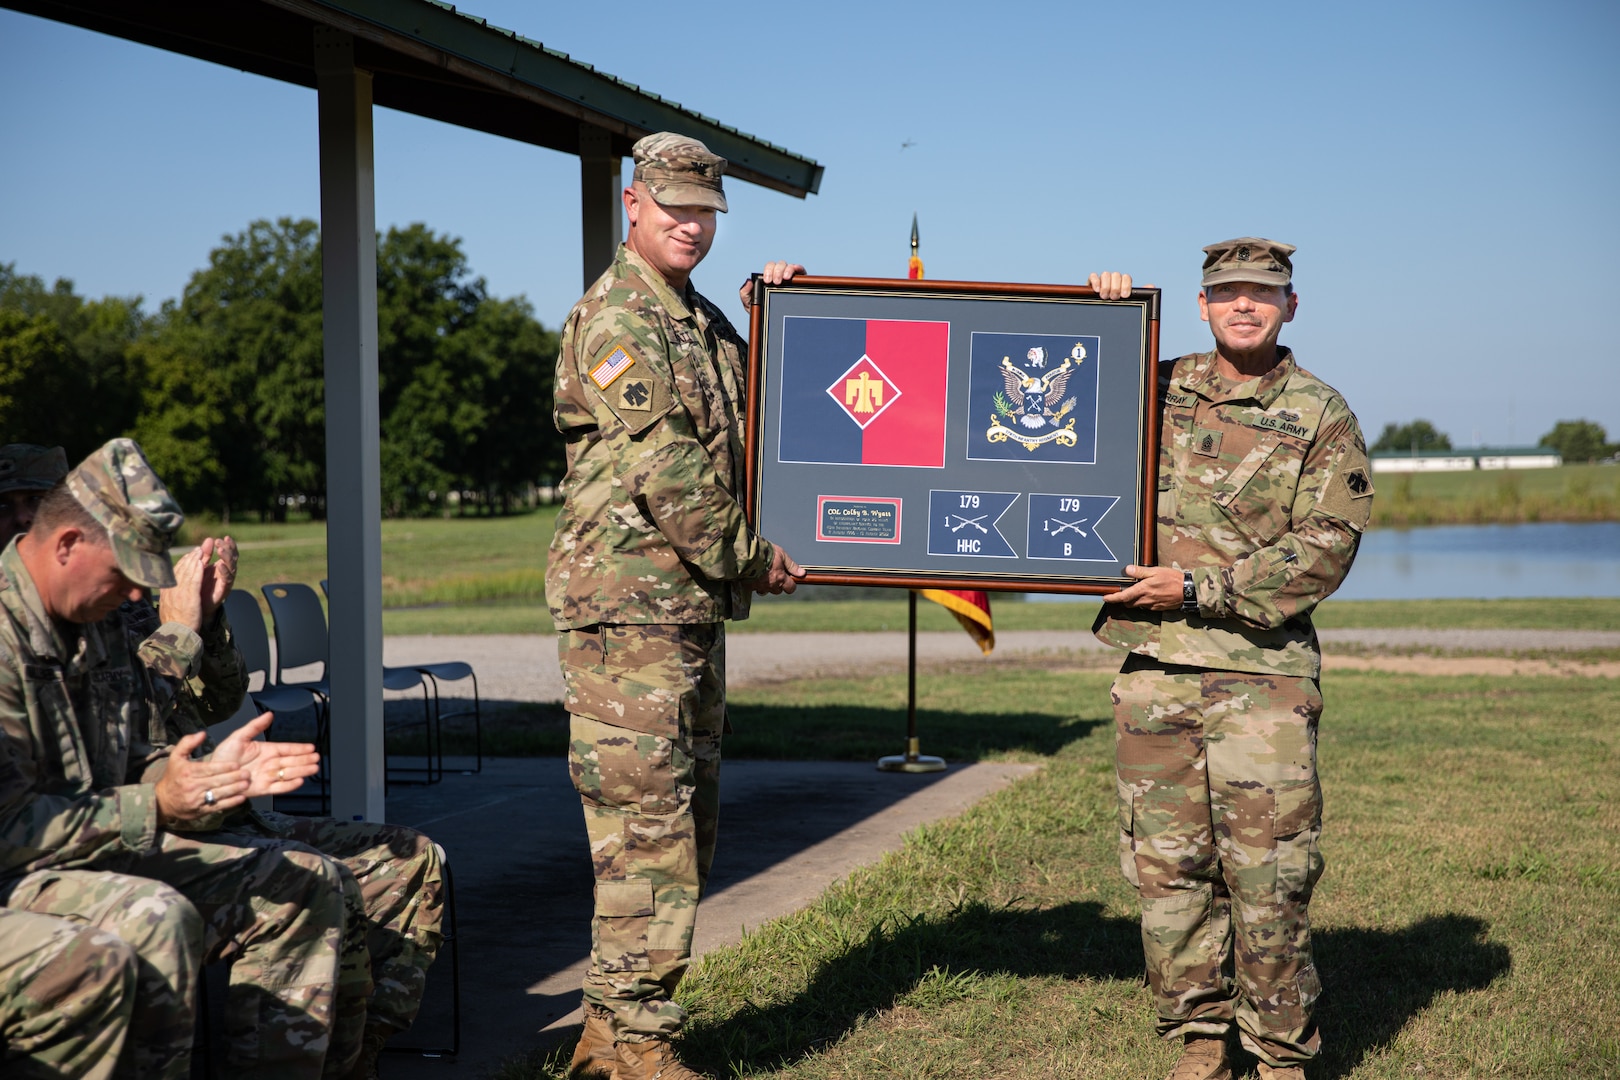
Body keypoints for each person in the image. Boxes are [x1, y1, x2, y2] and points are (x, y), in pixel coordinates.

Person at [546, 131, 805, 1080]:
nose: (692, 225)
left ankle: (611, 1038)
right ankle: (643, 1047)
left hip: (678, 612)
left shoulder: (694, 319)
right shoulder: (619, 319)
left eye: (706, 211)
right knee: (648, 835)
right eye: (675, 207)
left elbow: (765, 414)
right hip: (628, 619)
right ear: (634, 202)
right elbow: (669, 469)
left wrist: (781, 308)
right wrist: (752, 559)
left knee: (674, 831)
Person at [1089, 240, 1373, 1080]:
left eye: (1262, 293)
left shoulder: (1323, 415)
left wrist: (1194, 590)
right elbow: (1060, 417)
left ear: (1292, 306)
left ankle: (1283, 1052)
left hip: (1264, 675)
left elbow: (1327, 548)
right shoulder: (1156, 384)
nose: (1243, 305)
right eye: (1226, 293)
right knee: (1167, 868)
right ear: (1202, 304)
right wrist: (1098, 320)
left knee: (1270, 872)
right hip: (1154, 670)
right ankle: (1201, 1034)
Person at [0, 438, 353, 1079]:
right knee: (156, 919)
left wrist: (206, 780)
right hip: (20, 871)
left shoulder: (94, 620)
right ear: (67, 544)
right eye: (125, 575)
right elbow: (9, 826)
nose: (138, 596)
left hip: (92, 850)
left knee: (301, 882)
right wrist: (158, 802)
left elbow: (133, 751)